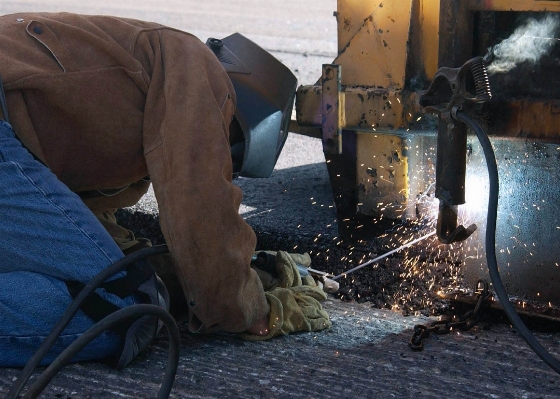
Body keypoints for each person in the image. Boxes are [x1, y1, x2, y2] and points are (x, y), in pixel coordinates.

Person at [0, 12, 330, 369]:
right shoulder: (199, 71)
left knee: (124, 284)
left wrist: (244, 273)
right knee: (123, 306)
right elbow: (200, 207)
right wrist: (256, 312)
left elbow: (99, 242)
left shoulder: (122, 98)